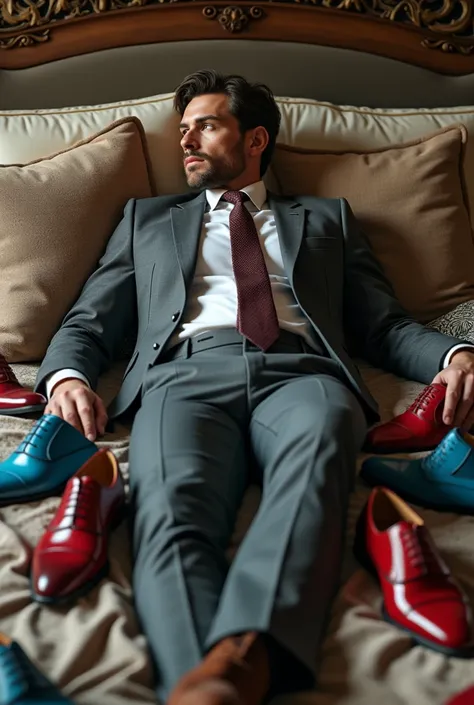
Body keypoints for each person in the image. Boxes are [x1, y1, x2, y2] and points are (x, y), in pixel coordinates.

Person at [37, 70, 474, 705]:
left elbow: (383, 325)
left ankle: (233, 666)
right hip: (182, 374)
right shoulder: (147, 218)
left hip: (304, 374)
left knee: (313, 478)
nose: (186, 141)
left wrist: (458, 353)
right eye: (182, 130)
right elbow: (91, 317)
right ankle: (219, 681)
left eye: (206, 126)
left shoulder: (328, 219)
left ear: (255, 140)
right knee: (171, 502)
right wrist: (67, 376)